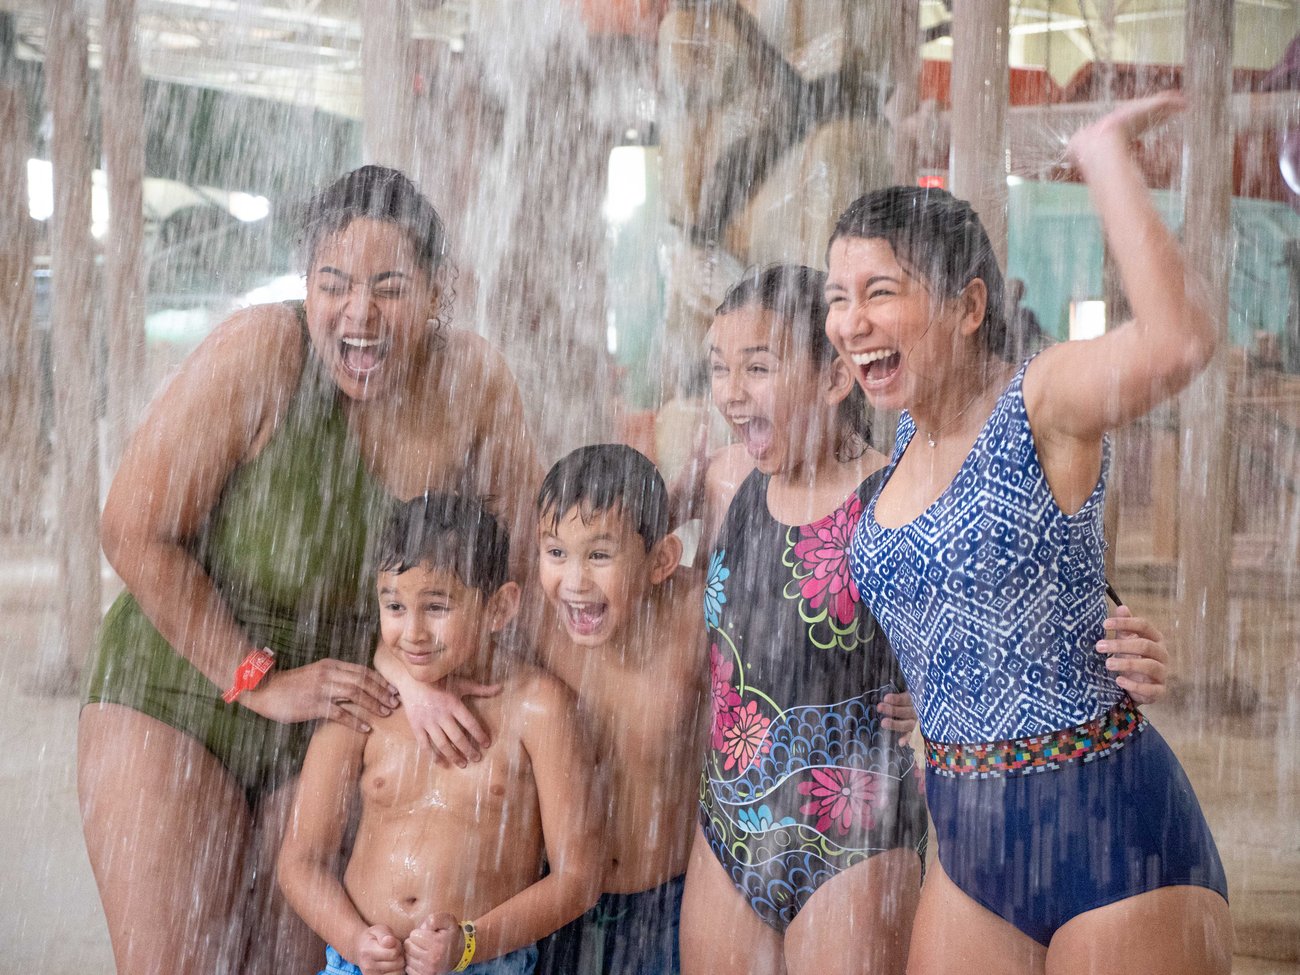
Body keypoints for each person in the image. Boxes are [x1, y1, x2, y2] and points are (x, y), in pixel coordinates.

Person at [78, 165, 539, 975]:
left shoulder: (474, 385)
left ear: (439, 293)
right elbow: (132, 529)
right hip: (177, 684)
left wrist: (425, 676)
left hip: (340, 706)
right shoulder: (261, 351)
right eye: (334, 284)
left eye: (390, 288)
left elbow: (522, 570)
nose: (359, 314)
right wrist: (256, 679)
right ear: (307, 285)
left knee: (293, 961)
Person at [827, 93, 1231, 973]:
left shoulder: (1037, 401)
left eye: (880, 292)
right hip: (970, 849)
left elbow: (1179, 342)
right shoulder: (905, 439)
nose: (850, 322)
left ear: (969, 306)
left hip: (1114, 835)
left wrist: (1104, 156)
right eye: (838, 298)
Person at [678, 264, 1173, 975]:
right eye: (718, 367)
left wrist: (1132, 644)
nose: (729, 391)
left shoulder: (896, 495)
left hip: (854, 836)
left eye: (756, 368)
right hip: (727, 820)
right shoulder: (727, 480)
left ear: (836, 377)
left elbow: (1038, 606)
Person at [278, 493, 603, 975]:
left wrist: (471, 944)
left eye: (436, 606)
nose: (413, 632)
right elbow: (299, 862)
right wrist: (354, 941)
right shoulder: (366, 704)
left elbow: (579, 877)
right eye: (394, 605)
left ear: (499, 607)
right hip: (360, 964)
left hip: (484, 963)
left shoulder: (539, 708)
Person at [530, 444, 706, 975]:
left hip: (666, 898)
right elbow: (417, 636)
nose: (575, 582)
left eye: (599, 556)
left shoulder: (698, 614)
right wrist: (414, 689)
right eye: (556, 552)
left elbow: (794, 641)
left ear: (661, 562)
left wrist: (899, 696)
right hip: (553, 897)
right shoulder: (531, 619)